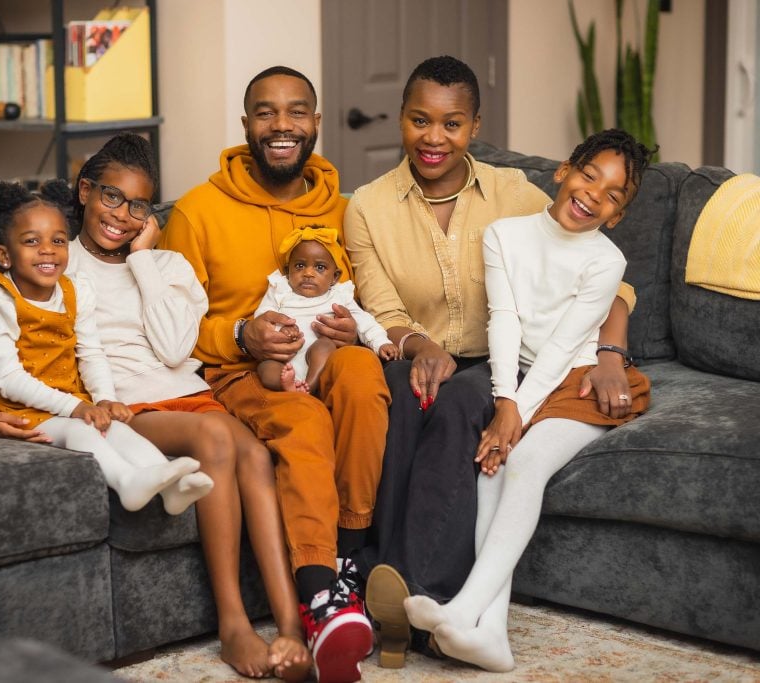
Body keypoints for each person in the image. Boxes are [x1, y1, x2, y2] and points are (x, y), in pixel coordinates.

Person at [0, 135, 310, 680]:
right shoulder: (53, 256)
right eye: (111, 197)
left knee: (256, 455)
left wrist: (143, 259)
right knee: (219, 438)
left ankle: (291, 627)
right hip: (129, 407)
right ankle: (234, 624)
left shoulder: (168, 265)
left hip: (190, 394)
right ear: (85, 191)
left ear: (151, 214)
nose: (121, 215)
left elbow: (174, 348)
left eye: (138, 205)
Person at [344, 55, 638, 667]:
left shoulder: (514, 192)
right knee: (404, 395)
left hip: (499, 362)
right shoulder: (367, 206)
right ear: (401, 119)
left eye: (452, 124)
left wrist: (611, 352)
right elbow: (381, 305)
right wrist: (422, 348)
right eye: (419, 120)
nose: (434, 138)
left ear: (475, 127)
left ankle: (424, 595)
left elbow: (603, 282)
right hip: (415, 350)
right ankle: (387, 585)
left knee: (459, 407)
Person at [159, 66, 390, 683]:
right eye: (266, 112)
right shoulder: (196, 213)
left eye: (296, 112)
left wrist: (349, 330)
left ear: (316, 122)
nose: (281, 125)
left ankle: (349, 554)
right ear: (246, 126)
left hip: (327, 358)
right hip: (242, 375)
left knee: (366, 376)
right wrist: (240, 333)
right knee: (302, 414)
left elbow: (370, 301)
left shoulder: (346, 210)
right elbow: (169, 334)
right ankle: (319, 592)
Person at [403, 129, 653, 671]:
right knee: (492, 465)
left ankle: (466, 608)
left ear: (616, 216)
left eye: (613, 196)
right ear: (564, 171)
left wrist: (515, 411)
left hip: (580, 376)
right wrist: (504, 399)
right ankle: (491, 634)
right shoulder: (504, 235)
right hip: (521, 372)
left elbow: (565, 345)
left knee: (526, 462)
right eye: (590, 176)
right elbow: (506, 320)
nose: (594, 195)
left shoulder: (607, 262)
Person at [0, 179, 212, 515]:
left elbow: (91, 352)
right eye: (31, 241)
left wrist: (105, 399)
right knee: (82, 431)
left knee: (117, 429)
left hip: (71, 400)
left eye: (57, 240)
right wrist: (76, 409)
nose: (47, 250)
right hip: (23, 412)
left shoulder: (74, 289)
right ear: (4, 255)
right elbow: (2, 376)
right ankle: (127, 482)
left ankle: (171, 486)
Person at [254, 224, 398, 393]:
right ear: (288, 270)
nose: (308, 273)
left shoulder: (339, 295)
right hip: (283, 358)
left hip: (318, 358)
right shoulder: (280, 289)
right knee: (265, 367)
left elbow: (364, 321)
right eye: (299, 266)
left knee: (325, 346)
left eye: (320, 267)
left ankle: (311, 384)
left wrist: (381, 342)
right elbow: (263, 316)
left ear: (335, 277)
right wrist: (280, 329)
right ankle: (289, 386)